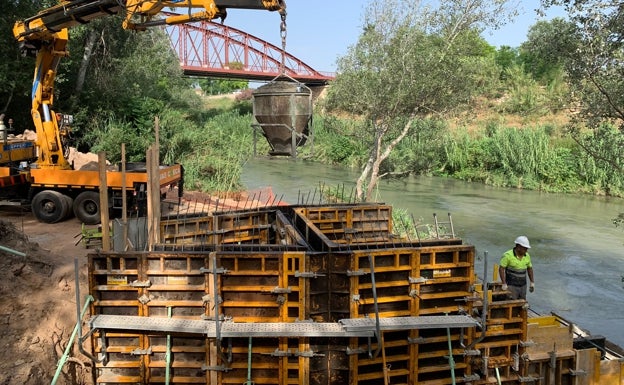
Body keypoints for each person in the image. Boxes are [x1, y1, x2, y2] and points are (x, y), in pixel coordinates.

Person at [499, 235, 535, 300]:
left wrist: (532, 282)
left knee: (522, 302)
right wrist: (504, 283)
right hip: (511, 285)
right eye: (525, 248)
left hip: (523, 285)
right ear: (518, 247)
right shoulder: (507, 255)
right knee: (511, 301)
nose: (526, 250)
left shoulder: (527, 256)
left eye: (527, 248)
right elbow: (501, 269)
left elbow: (530, 269)